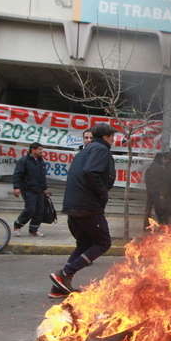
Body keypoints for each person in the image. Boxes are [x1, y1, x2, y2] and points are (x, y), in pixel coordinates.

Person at [49, 124, 116, 298]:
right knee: (103, 243)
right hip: (87, 207)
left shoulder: (85, 150)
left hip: (75, 205)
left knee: (85, 244)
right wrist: (103, 194)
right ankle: (64, 274)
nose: (113, 140)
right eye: (112, 137)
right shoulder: (100, 150)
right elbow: (90, 172)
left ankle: (58, 287)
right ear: (106, 136)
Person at [13, 142, 49, 237]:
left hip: (39, 190)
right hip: (28, 190)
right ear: (33, 150)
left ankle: (33, 230)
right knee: (30, 209)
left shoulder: (41, 161)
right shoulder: (24, 161)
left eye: (42, 149)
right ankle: (17, 225)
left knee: (40, 211)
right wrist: (16, 187)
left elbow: (42, 176)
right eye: (40, 149)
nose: (42, 151)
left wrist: (45, 189)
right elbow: (17, 174)